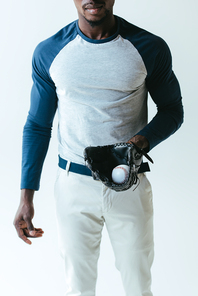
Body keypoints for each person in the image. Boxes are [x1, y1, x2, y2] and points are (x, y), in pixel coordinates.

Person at [14, 0, 184, 295]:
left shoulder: (148, 47)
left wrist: (137, 144)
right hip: (73, 186)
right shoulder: (49, 51)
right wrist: (26, 197)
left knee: (138, 285)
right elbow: (38, 126)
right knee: (78, 289)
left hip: (129, 183)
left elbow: (172, 110)